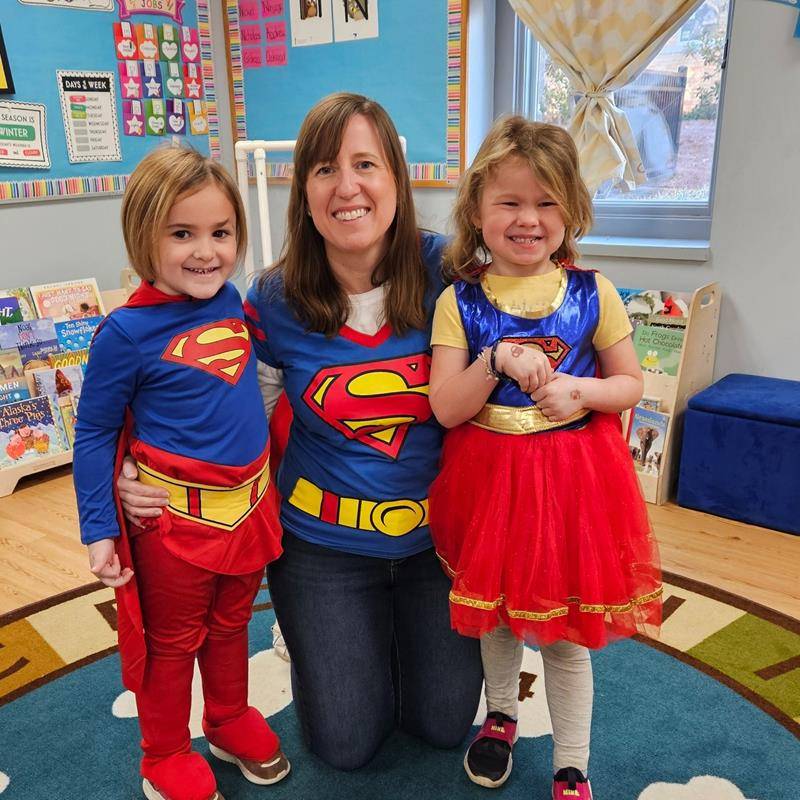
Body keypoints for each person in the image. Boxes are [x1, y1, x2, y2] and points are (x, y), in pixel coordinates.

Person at [116, 93, 484, 771]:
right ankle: (353, 646)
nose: (347, 186)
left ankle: (396, 643)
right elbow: (223, 411)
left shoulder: (454, 274)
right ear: (304, 192)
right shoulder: (270, 299)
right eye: (323, 169)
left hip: (439, 543)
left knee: (442, 724)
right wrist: (134, 463)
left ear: (396, 178)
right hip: (324, 549)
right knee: (345, 744)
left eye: (365, 163)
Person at [427, 117, 662, 800]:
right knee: (495, 613)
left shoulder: (594, 292)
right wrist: (494, 359)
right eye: (510, 202)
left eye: (547, 202)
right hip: (489, 478)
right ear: (476, 210)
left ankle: (572, 763)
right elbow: (445, 407)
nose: (528, 219)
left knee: (566, 633)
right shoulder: (459, 301)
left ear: (572, 211)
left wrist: (582, 392)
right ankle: (500, 715)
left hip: (573, 485)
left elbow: (630, 384)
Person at [73, 146, 290, 800]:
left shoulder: (231, 302)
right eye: (182, 233)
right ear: (146, 235)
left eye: (221, 233)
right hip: (171, 523)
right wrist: (100, 525)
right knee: (171, 645)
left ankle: (225, 718)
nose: (206, 251)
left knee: (232, 626)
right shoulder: (125, 333)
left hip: (249, 509)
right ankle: (163, 752)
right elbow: (94, 430)